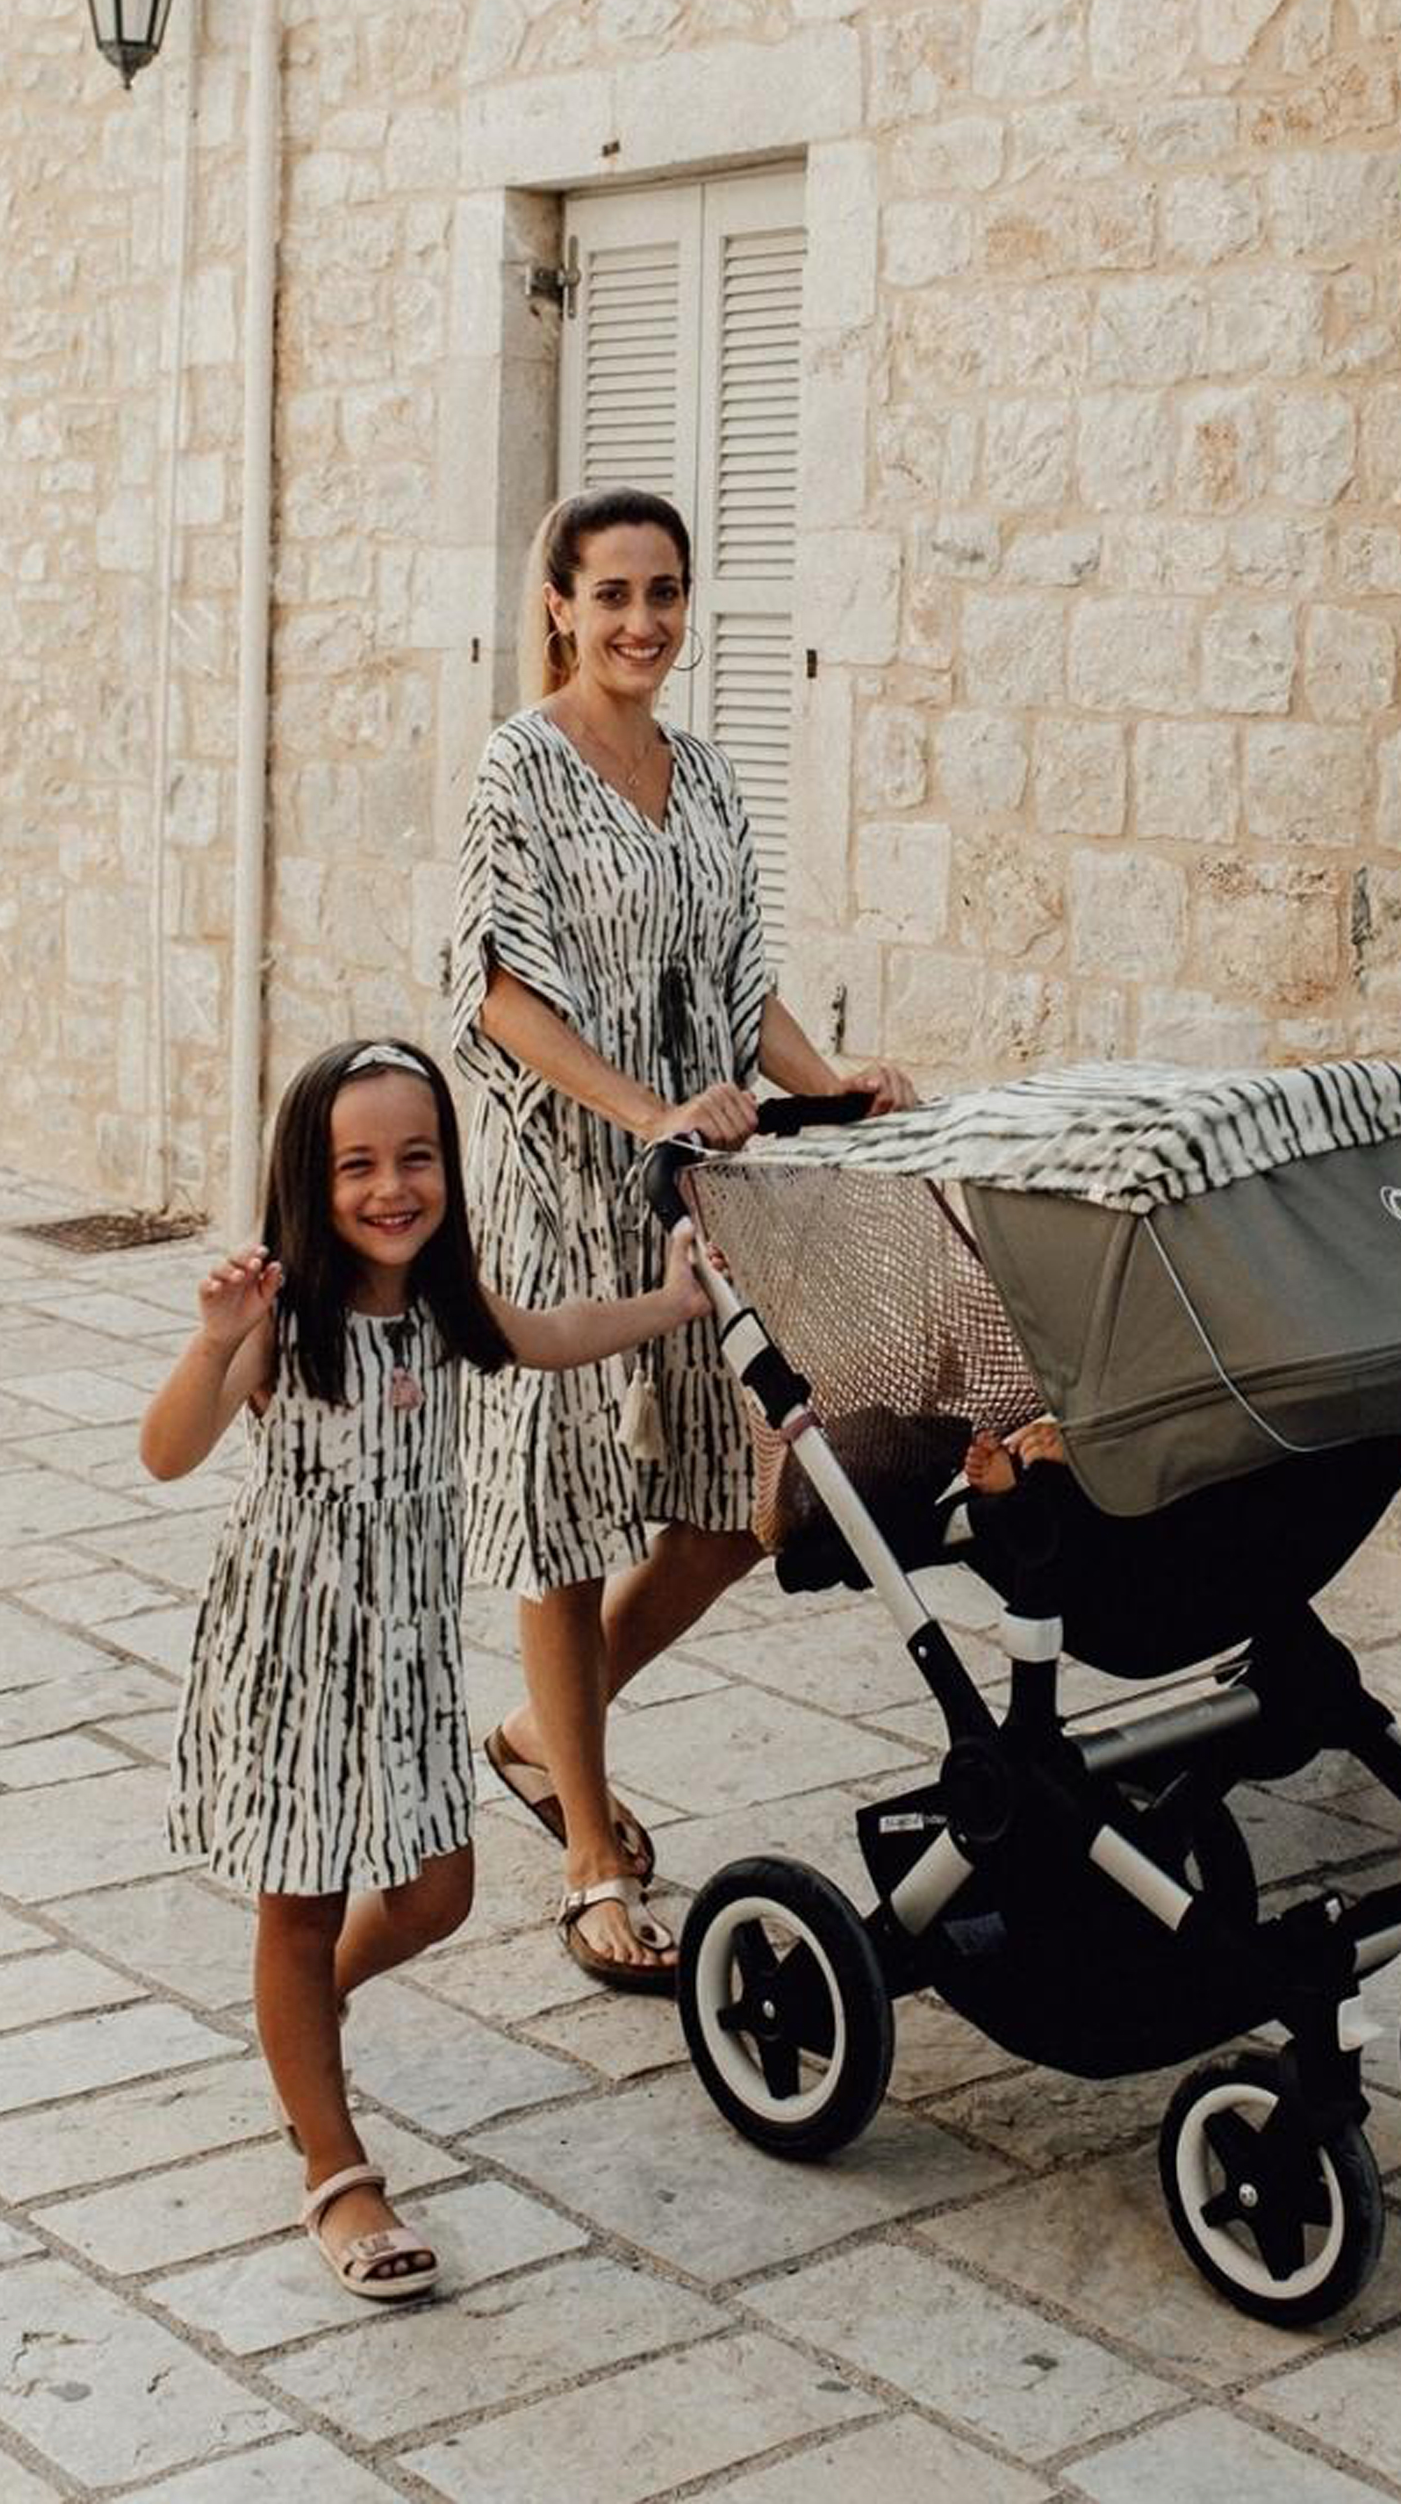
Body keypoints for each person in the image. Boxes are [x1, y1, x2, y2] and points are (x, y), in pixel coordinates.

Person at [141, 1038, 707, 2303]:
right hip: (291, 1656)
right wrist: (212, 1342)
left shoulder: (447, 1308)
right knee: (297, 1909)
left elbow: (552, 1333)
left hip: (403, 1659)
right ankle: (337, 2169)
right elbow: (166, 1453)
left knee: (437, 1893)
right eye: (356, 1164)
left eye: (416, 1156)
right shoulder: (285, 1317)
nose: (391, 1187)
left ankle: (303, 2020)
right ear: (309, 1176)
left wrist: (670, 1305)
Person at [453, 486, 914, 1989]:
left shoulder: (707, 776)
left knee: (732, 1511)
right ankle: (590, 1854)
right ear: (559, 607)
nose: (641, 621)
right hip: (560, 1197)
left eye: (664, 593)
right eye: (613, 594)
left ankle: (541, 1733)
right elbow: (498, 993)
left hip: (696, 1202)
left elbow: (738, 985)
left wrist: (830, 1082)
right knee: (565, 1522)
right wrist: (647, 1107)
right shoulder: (520, 768)